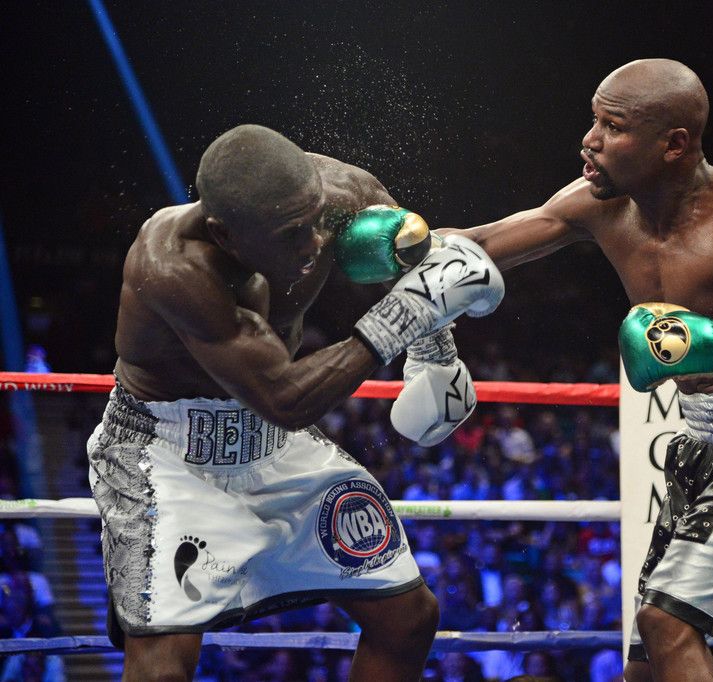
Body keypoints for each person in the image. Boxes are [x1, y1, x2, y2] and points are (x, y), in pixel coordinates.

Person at [449, 59, 713, 680]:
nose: (589, 140)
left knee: (669, 625)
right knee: (646, 663)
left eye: (613, 127)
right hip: (703, 438)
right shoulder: (599, 204)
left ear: (674, 145)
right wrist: (401, 242)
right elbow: (480, 246)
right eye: (594, 120)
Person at [88, 124, 504, 681]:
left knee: (409, 618)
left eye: (314, 221)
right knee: (162, 668)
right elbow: (284, 398)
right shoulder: (173, 265)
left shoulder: (338, 193)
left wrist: (434, 349)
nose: (314, 243)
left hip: (271, 445)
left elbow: (406, 250)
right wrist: (405, 317)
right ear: (226, 234)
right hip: (167, 456)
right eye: (292, 234)